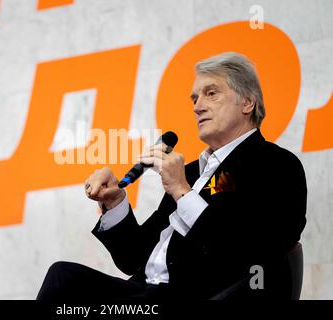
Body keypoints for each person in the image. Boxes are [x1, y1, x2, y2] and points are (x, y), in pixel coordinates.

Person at [36, 52, 307, 301]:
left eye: (211, 94)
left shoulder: (276, 165)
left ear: (247, 102)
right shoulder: (191, 172)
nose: (198, 106)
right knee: (64, 279)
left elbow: (247, 253)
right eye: (195, 99)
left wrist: (182, 191)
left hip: (192, 295)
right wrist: (115, 202)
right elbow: (133, 258)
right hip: (143, 294)